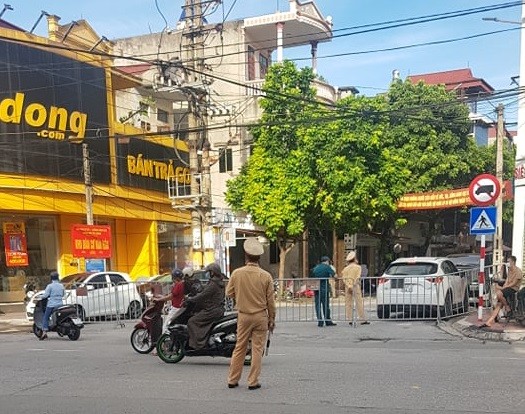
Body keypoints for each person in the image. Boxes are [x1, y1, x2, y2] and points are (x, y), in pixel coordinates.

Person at [226, 237, 275, 390]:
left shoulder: (237, 273)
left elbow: (229, 293)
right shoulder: (266, 276)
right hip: (260, 316)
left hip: (243, 315)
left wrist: (241, 296)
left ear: (246, 255)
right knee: (257, 349)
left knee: (240, 346)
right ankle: (253, 381)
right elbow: (271, 301)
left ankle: (233, 380)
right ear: (259, 257)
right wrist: (272, 319)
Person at [185, 262, 225, 350]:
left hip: (211, 310)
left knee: (192, 321)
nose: (208, 274)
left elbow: (203, 295)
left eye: (209, 272)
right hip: (217, 309)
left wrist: (190, 299)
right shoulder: (218, 282)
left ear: (213, 272)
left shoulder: (213, 284)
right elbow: (204, 291)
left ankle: (199, 344)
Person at [482, 255, 523, 328]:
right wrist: (503, 287)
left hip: (513, 289)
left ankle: (507, 307)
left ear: (513, 262)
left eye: (508, 261)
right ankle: (489, 322)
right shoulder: (509, 270)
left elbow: (513, 283)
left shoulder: (518, 271)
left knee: (498, 293)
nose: (507, 263)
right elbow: (507, 280)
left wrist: (502, 288)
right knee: (499, 304)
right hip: (507, 288)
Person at [341, 251, 369, 325]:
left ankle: (349, 319)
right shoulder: (358, 267)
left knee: (348, 303)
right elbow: (357, 277)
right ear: (354, 259)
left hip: (347, 286)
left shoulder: (345, 269)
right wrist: (353, 284)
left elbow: (344, 278)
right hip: (356, 286)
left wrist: (349, 285)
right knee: (359, 302)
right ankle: (362, 319)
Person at [156, 268, 185, 334]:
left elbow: (171, 296)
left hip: (176, 308)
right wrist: (162, 296)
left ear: (174, 277)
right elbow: (173, 295)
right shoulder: (182, 284)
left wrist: (159, 299)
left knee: (166, 326)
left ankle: (167, 341)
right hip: (180, 308)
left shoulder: (178, 285)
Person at [311, 256, 337, 327]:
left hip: (316, 288)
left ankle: (320, 321)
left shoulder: (316, 268)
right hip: (324, 288)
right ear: (327, 261)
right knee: (325, 305)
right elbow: (335, 275)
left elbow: (312, 277)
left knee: (317, 305)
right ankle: (327, 321)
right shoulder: (327, 267)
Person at [40, 271, 65, 340]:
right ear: (58, 278)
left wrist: (40, 297)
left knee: (45, 316)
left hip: (51, 305)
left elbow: (46, 295)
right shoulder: (61, 285)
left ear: (51, 278)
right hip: (60, 304)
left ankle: (44, 332)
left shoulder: (50, 286)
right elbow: (63, 294)